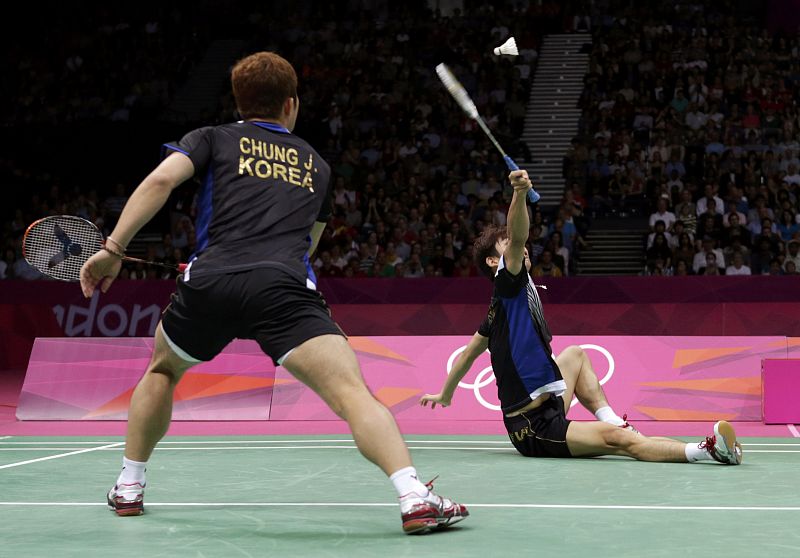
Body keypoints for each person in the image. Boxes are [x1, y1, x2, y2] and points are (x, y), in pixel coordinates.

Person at [79, 51, 466, 535]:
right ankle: (413, 496)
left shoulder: (212, 138)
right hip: (282, 287)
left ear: (240, 103)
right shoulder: (318, 167)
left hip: (210, 283)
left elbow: (161, 180)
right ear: (291, 105)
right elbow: (310, 246)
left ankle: (129, 486)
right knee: (351, 392)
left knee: (163, 368)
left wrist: (114, 248)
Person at [420, 169, 742, 466]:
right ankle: (708, 450)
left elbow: (466, 355)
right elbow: (518, 236)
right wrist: (519, 193)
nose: (523, 249)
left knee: (575, 355)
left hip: (549, 404)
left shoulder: (502, 305)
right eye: (507, 248)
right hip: (533, 427)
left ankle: (612, 418)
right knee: (622, 442)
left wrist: (445, 394)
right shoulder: (508, 281)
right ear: (494, 261)